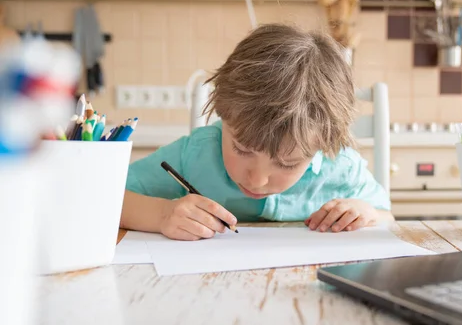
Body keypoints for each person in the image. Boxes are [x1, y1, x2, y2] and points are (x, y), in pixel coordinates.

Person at [120, 24, 392, 241]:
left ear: (323, 144)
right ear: (223, 114)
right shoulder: (195, 153)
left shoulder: (342, 167)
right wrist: (161, 215)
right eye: (241, 149)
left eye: (287, 163)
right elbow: (108, 198)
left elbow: (387, 217)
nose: (258, 180)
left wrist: (367, 214)